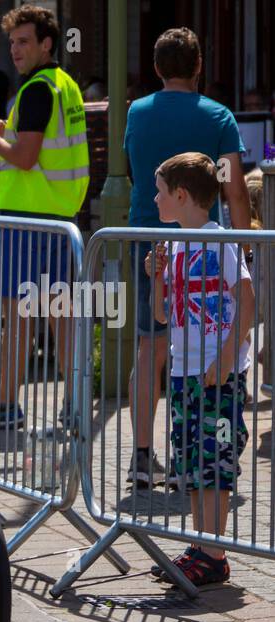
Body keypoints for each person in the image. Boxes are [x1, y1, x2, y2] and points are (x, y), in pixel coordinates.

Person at [122, 27, 250, 488]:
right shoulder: (218, 116)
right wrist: (243, 241)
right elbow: (234, 188)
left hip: (146, 238)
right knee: (203, 345)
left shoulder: (137, 111)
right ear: (199, 66)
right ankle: (191, 454)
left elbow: (137, 172)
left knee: (152, 346)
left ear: (156, 68)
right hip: (203, 246)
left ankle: (141, 455)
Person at [0, 4, 88, 430]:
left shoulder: (36, 88)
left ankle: (6, 406)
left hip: (25, 217)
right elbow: (41, 142)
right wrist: (7, 131)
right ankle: (73, 407)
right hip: (57, 216)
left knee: (17, 317)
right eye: (12, 42)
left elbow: (26, 156)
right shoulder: (63, 84)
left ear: (46, 44)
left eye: (24, 42)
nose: (15, 50)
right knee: (61, 317)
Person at [147, 153, 254, 588]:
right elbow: (161, 315)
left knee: (216, 457)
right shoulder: (173, 245)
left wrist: (226, 358)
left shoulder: (218, 240)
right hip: (184, 371)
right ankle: (200, 543)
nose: (154, 200)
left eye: (159, 191)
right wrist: (155, 277)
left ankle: (214, 552)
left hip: (218, 374)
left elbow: (246, 301)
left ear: (180, 194)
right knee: (189, 457)